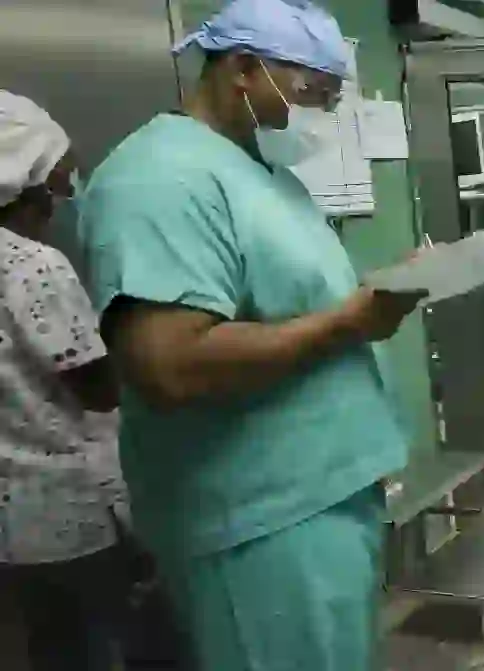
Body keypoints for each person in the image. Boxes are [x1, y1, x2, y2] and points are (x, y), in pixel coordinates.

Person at [71, 1, 426, 670]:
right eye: (311, 94)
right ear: (243, 69)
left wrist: (381, 290)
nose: (319, 114)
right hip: (258, 517)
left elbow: (291, 303)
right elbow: (170, 363)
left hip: (319, 494)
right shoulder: (158, 179)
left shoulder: (262, 173)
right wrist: (350, 320)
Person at [0, 90, 126, 671]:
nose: (67, 196)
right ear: (25, 179)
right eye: (62, 180)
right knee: (88, 647)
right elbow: (98, 387)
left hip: (11, 525)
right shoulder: (35, 266)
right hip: (65, 518)